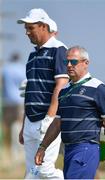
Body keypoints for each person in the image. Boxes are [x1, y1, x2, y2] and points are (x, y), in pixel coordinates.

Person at [35, 46, 105, 179]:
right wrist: (43, 147)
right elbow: (57, 123)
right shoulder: (64, 90)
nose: (69, 65)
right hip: (69, 150)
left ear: (86, 63)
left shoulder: (98, 88)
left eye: (74, 62)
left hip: (86, 149)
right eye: (67, 62)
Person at [17, 8, 69, 179]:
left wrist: (50, 119)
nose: (27, 32)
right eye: (26, 28)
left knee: (45, 170)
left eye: (30, 27)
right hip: (31, 122)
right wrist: (24, 125)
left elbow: (61, 85)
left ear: (43, 26)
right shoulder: (32, 55)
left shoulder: (59, 49)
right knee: (32, 173)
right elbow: (30, 91)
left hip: (48, 121)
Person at [2, 52, 25, 159]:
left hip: (6, 101)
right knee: (19, 124)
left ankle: (8, 149)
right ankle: (17, 151)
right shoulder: (22, 68)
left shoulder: (5, 69)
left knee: (6, 126)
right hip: (19, 101)